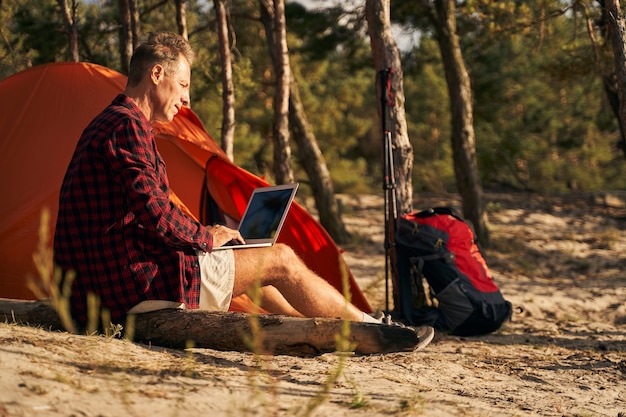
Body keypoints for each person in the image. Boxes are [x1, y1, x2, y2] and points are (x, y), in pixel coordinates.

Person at [53, 32, 433, 347]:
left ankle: (329, 330)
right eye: (183, 85)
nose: (186, 99)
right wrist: (205, 237)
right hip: (126, 283)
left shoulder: (114, 122)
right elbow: (156, 214)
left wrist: (212, 240)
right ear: (156, 74)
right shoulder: (127, 127)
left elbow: (145, 214)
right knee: (279, 258)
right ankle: (376, 328)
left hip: (106, 278)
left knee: (249, 259)